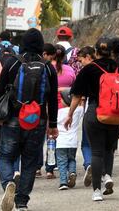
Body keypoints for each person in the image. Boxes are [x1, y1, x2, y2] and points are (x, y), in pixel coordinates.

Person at [0, 29, 59, 211]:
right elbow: (53, 100)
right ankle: (22, 202)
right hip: (38, 121)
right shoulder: (48, 67)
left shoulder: (12, 63)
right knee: (29, 161)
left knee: (5, 156)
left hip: (12, 118)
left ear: (23, 44)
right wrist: (53, 125)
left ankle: (8, 184)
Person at [65, 37, 119, 202]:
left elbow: (77, 95)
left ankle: (97, 191)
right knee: (109, 149)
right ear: (112, 52)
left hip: (96, 112)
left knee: (96, 152)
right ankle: (107, 175)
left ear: (95, 52)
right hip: (116, 116)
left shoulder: (89, 69)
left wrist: (70, 114)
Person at [51, 45, 81, 190]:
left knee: (60, 159)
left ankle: (61, 180)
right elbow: (76, 90)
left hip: (53, 107)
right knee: (71, 158)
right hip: (70, 109)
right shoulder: (70, 71)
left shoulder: (48, 69)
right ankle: (73, 172)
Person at [36, 43, 57, 178]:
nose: (51, 60)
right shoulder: (49, 68)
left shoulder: (27, 65)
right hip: (44, 109)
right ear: (44, 54)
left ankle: (36, 168)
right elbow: (53, 97)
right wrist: (53, 122)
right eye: (51, 57)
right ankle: (49, 169)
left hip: (29, 110)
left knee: (37, 141)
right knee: (50, 139)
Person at [76, 46, 96, 186]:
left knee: (86, 143)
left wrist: (71, 113)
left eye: (81, 60)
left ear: (88, 57)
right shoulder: (107, 67)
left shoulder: (87, 71)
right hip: (108, 110)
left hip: (91, 109)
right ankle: (104, 172)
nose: (80, 63)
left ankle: (89, 164)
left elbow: (77, 94)